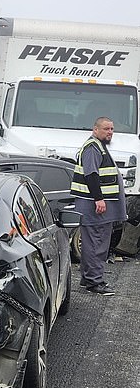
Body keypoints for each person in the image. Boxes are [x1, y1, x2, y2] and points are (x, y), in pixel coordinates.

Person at [70, 116, 126, 295]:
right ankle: (95, 283)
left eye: (111, 129)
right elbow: (91, 175)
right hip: (95, 208)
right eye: (106, 129)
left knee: (94, 242)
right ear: (95, 129)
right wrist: (99, 199)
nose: (110, 132)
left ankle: (88, 279)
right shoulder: (93, 148)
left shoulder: (97, 146)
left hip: (97, 207)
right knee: (97, 243)